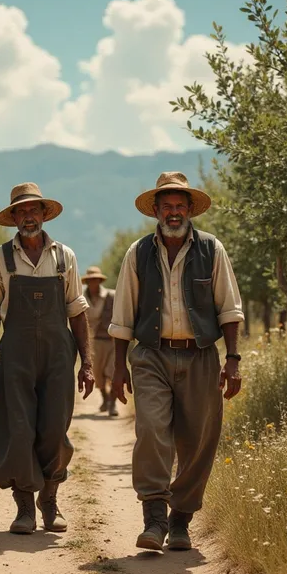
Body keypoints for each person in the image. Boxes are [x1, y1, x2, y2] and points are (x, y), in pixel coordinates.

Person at [110, 172, 244, 551]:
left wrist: (232, 359)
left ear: (189, 210)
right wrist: (118, 368)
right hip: (151, 354)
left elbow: (229, 309)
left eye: (179, 206)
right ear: (155, 210)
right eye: (166, 206)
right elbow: (122, 315)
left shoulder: (212, 249)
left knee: (199, 440)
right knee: (152, 429)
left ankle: (181, 520)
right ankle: (153, 519)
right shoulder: (138, 253)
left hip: (201, 355)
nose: (173, 212)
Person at [0, 183, 94, 535]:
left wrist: (87, 362)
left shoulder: (64, 257)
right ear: (13, 218)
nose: (28, 217)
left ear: (44, 214)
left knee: (55, 428)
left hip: (59, 354)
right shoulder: (1, 258)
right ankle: (25, 506)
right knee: (18, 428)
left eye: (34, 210)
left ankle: (50, 500)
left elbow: (77, 310)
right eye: (21, 211)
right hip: (15, 353)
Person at [82, 266, 117, 416]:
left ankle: (113, 404)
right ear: (87, 282)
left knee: (113, 372)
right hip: (94, 341)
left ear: (100, 280)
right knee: (97, 374)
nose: (93, 282)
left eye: (96, 279)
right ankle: (106, 398)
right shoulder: (82, 299)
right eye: (90, 280)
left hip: (113, 341)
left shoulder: (112, 296)